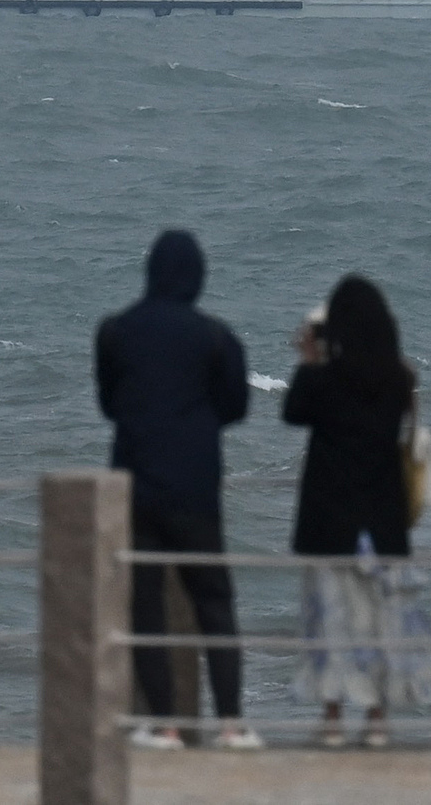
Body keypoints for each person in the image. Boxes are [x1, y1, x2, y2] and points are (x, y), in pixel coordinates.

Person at [94, 230, 259, 751]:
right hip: (196, 489)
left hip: (137, 485)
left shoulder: (115, 332)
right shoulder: (216, 338)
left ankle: (164, 725)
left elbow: (109, 404)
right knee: (214, 601)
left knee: (146, 605)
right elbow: (236, 407)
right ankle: (231, 723)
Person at [282, 279, 431, 748]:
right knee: (381, 621)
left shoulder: (322, 380)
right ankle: (378, 719)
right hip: (381, 524)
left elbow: (292, 412)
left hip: (329, 522)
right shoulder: (399, 381)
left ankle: (333, 717)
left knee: (329, 621)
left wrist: (310, 357)